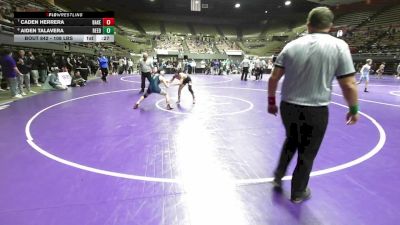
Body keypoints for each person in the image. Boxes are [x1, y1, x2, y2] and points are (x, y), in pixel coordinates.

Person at [267, 7, 359, 203]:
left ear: (308, 24)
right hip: (316, 110)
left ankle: (277, 177)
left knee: (291, 140)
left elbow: (274, 78)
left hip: (288, 107)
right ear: (330, 26)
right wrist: (354, 109)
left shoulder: (291, 46)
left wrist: (271, 103)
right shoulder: (339, 46)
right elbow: (349, 84)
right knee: (307, 151)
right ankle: (298, 192)